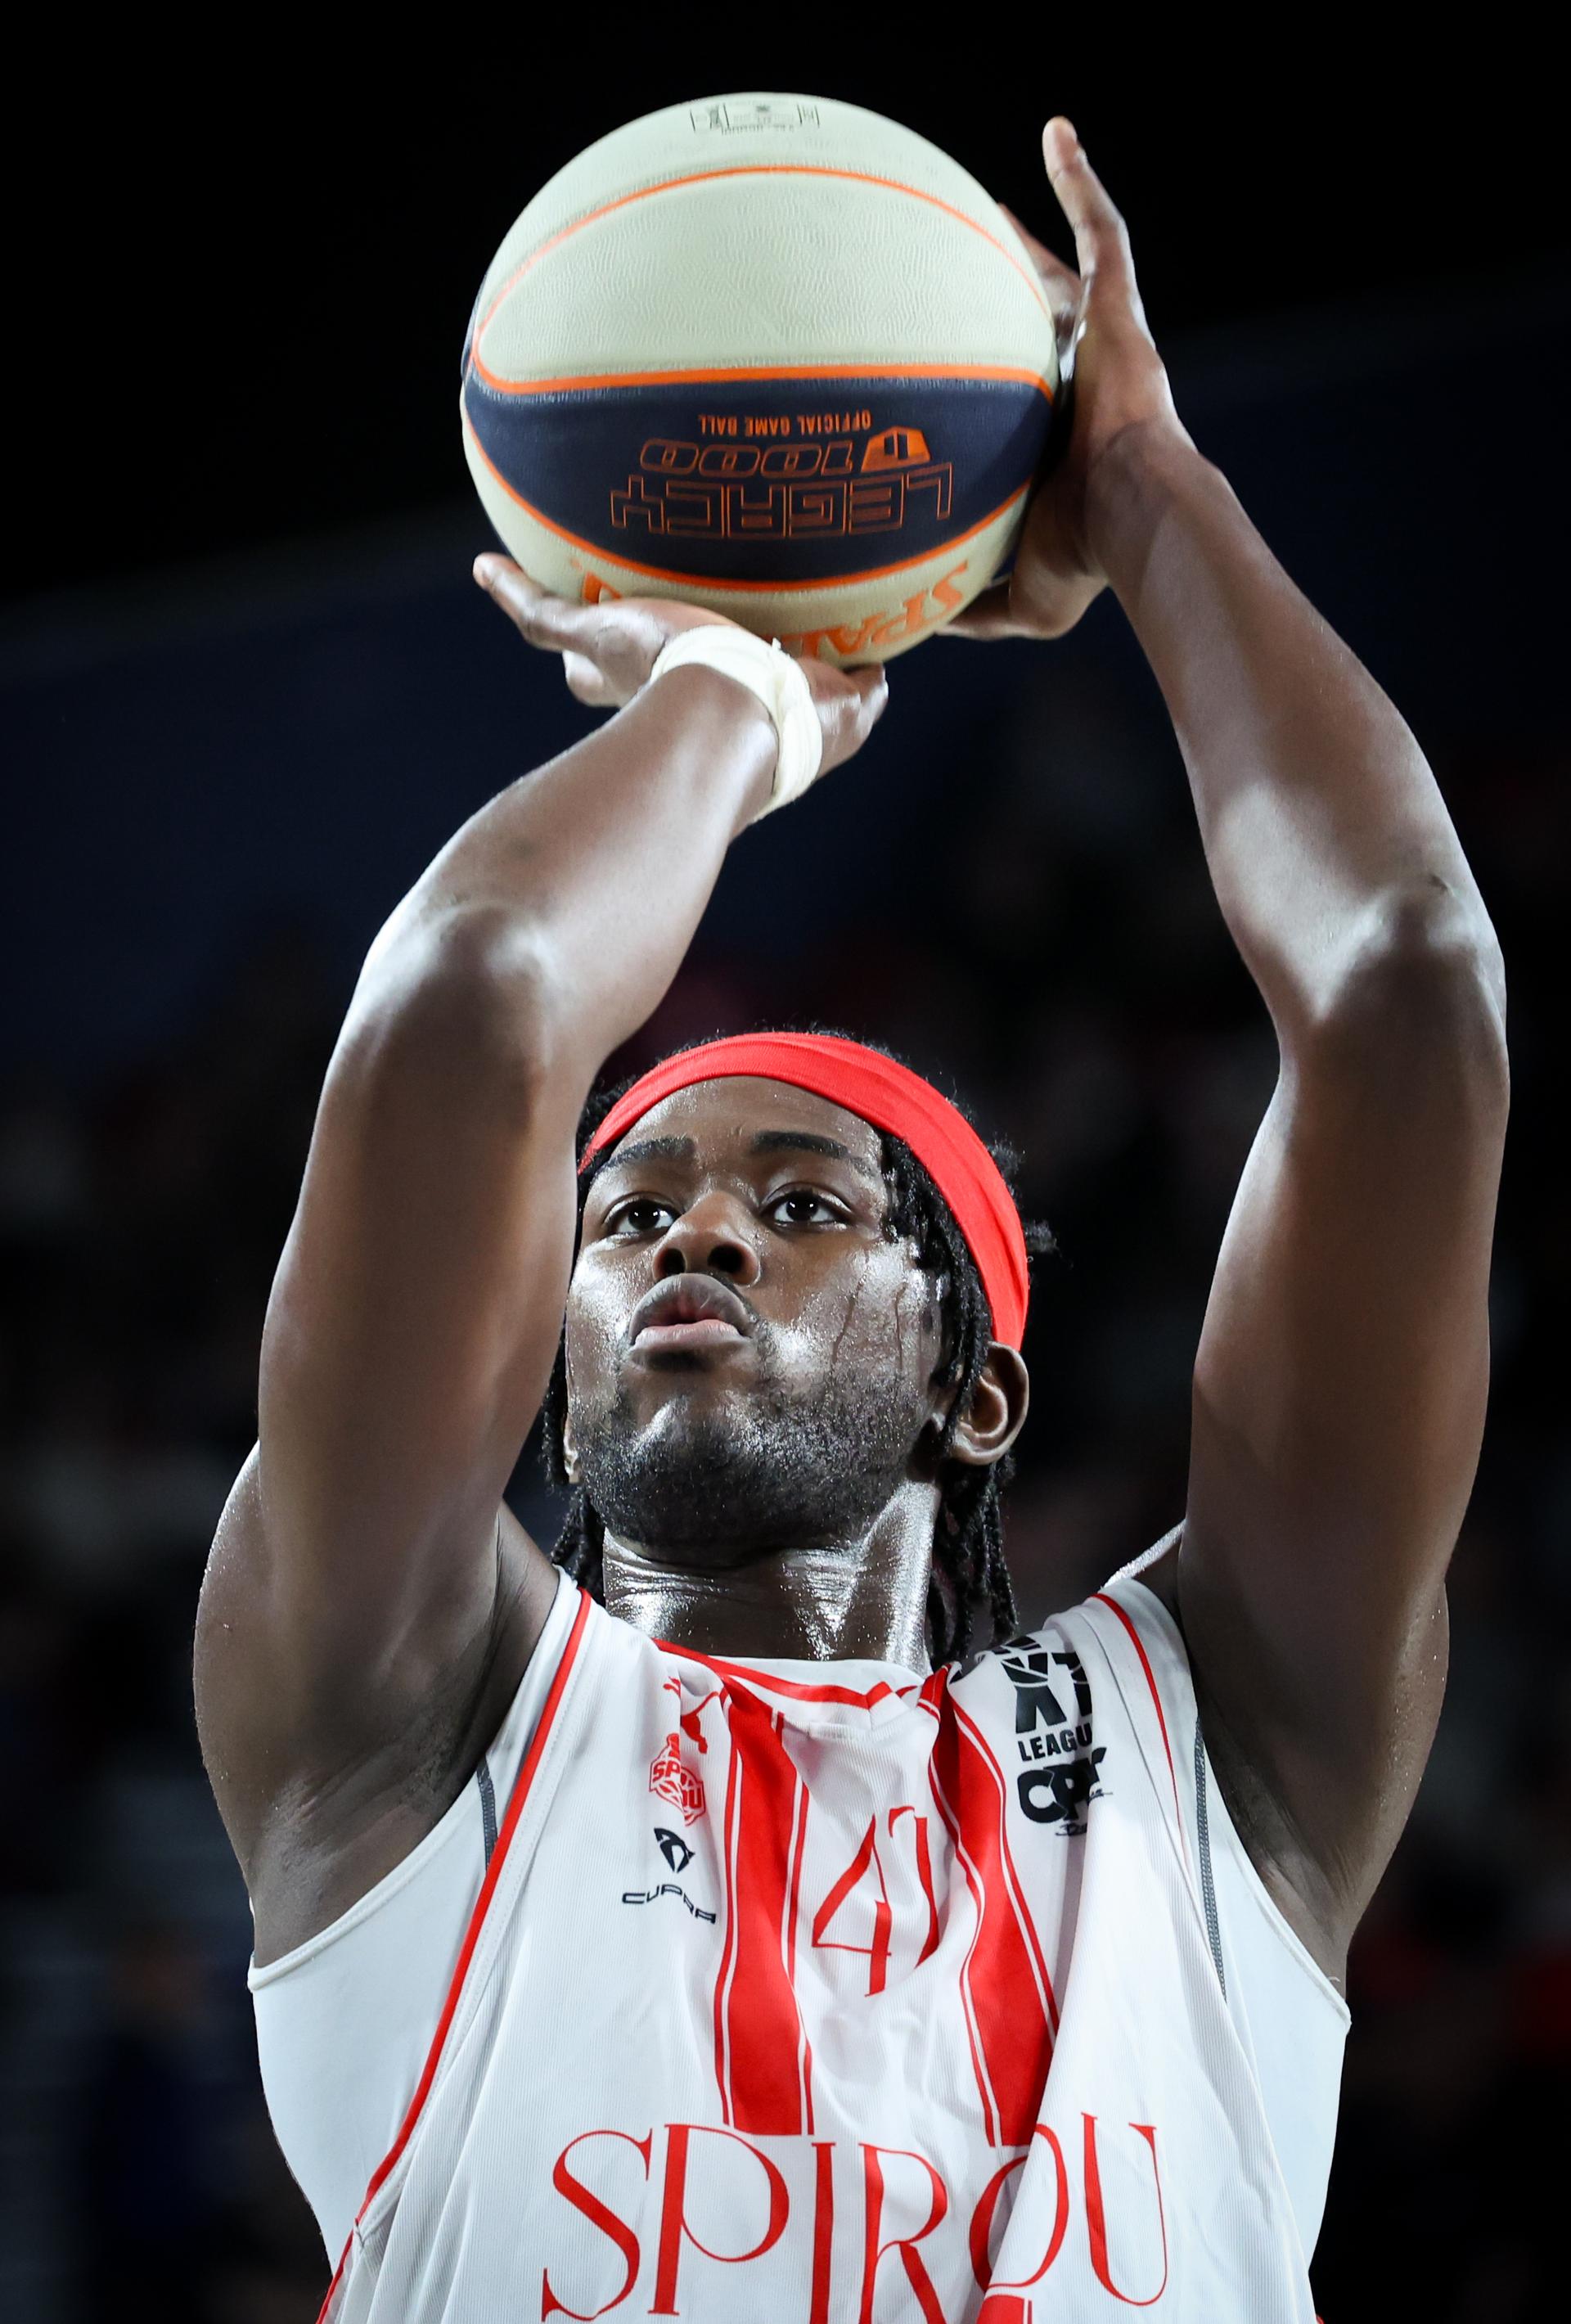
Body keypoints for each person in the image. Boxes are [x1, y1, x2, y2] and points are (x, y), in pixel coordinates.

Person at [194, 119, 1508, 2322]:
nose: (684, 1245)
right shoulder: (398, 1721)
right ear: (555, 1345)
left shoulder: (1229, 1751)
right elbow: (467, 1006)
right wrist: (737, 695)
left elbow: (1407, 990)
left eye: (801, 1204)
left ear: (977, 1383)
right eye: (621, 1214)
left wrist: (1150, 500)